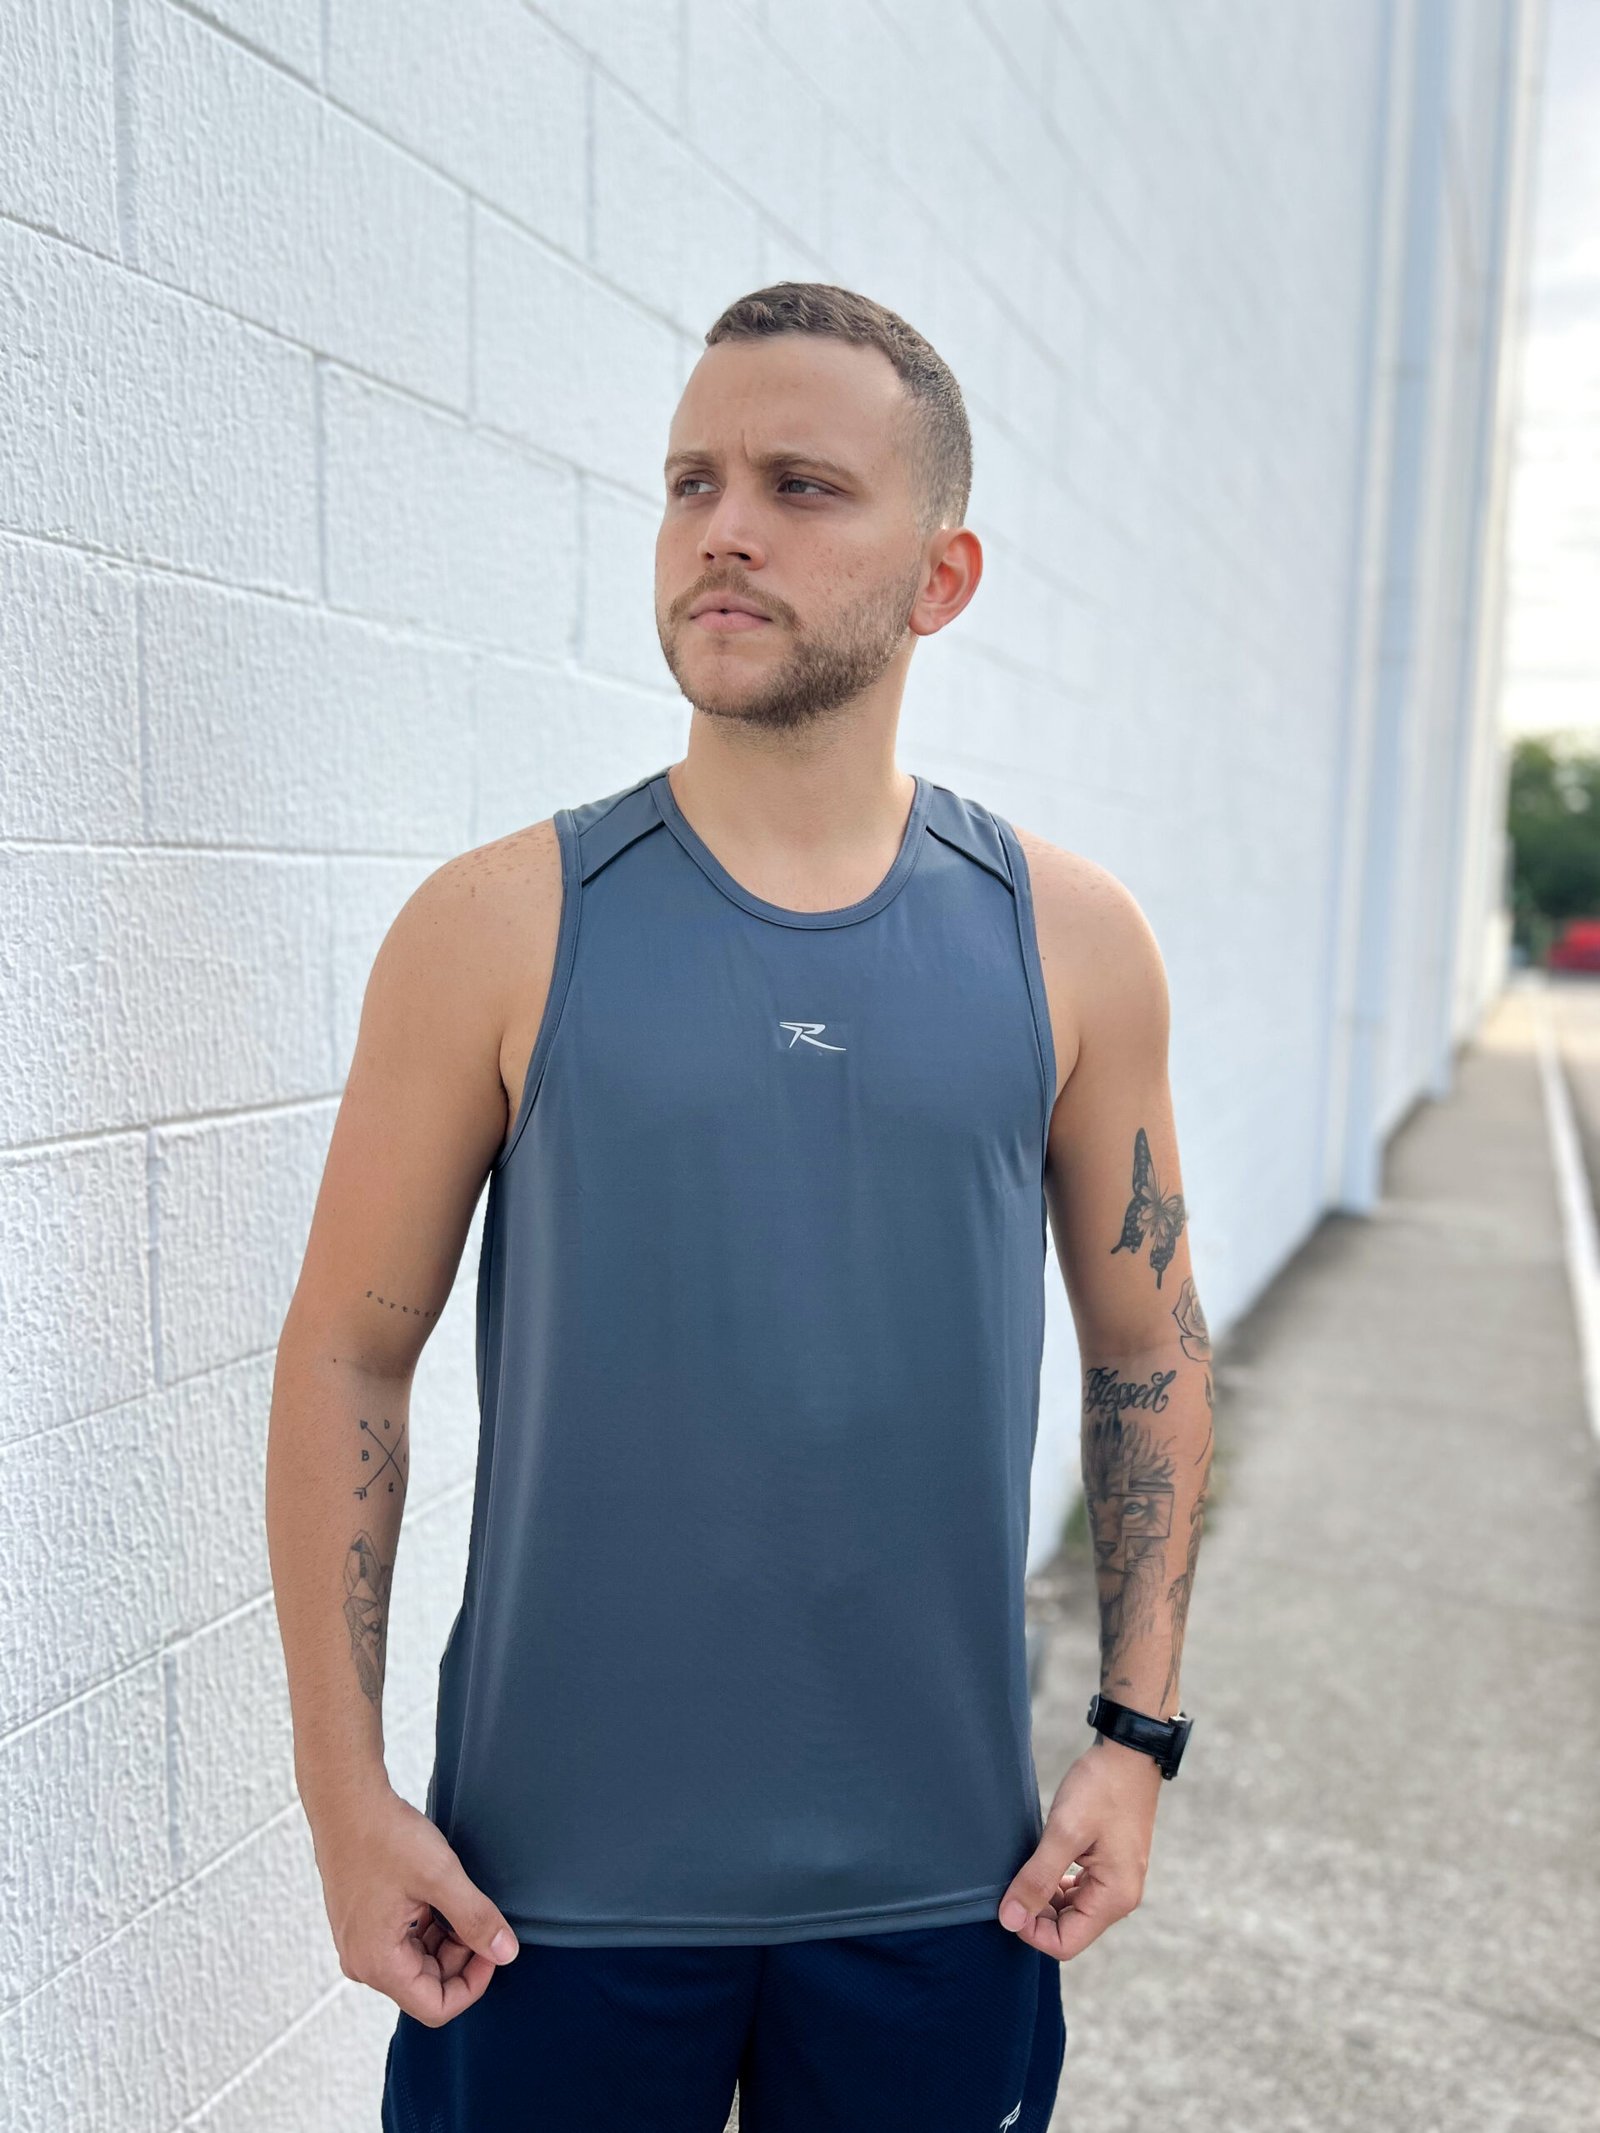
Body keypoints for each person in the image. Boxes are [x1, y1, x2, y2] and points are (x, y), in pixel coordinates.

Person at [265, 281, 1213, 2131]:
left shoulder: (1071, 944)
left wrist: (1137, 1737)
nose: (725, 527)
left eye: (801, 485)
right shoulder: (498, 927)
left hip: (947, 1892)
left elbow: (1152, 1350)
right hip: (540, 1904)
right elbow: (346, 1357)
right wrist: (343, 1798)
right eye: (692, 479)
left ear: (942, 577)